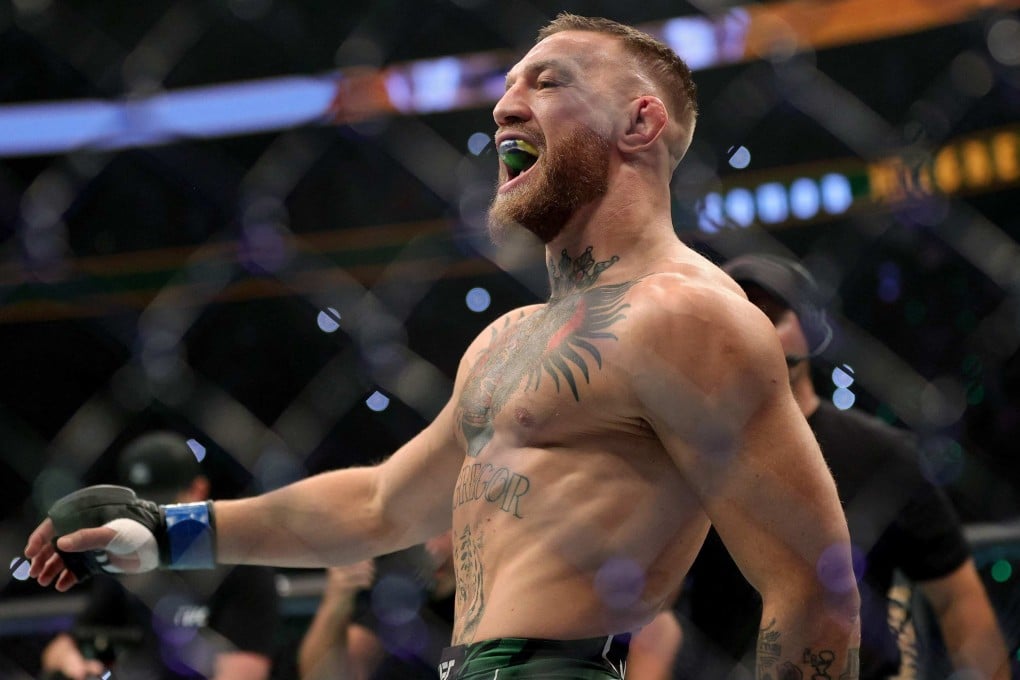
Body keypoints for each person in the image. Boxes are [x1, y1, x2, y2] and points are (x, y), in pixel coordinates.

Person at [23, 14, 861, 679]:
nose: (504, 105)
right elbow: (381, 505)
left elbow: (812, 586)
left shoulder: (691, 314)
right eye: (505, 86)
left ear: (639, 121)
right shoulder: (506, 340)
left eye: (548, 80)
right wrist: (167, 532)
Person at [671, 253, 1011, 679]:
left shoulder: (882, 454)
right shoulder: (684, 458)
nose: (750, 331)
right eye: (735, 317)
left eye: (768, 315)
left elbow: (956, 597)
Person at [38, 431, 279, 680]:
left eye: (164, 506)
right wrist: (71, 661)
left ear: (198, 491)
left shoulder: (240, 565)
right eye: (140, 509)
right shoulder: (126, 561)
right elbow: (62, 647)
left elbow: (242, 674)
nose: (151, 520)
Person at [297, 531, 456, 680]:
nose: (433, 547)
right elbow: (321, 676)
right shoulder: (395, 588)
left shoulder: (476, 596)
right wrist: (337, 599)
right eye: (429, 531)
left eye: (446, 529)